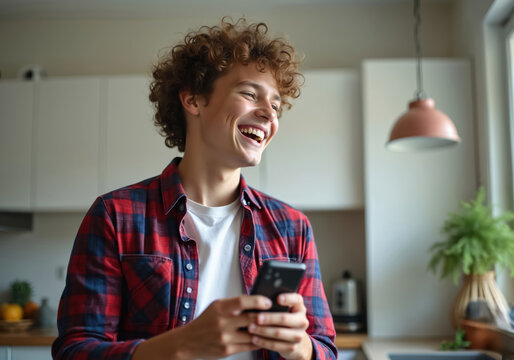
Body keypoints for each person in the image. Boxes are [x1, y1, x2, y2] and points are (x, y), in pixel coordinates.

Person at [52, 17, 336, 360]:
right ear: (194, 100)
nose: (268, 114)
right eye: (249, 94)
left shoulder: (293, 228)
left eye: (275, 106)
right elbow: (75, 351)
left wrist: (302, 347)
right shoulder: (115, 215)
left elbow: (325, 350)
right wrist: (181, 346)